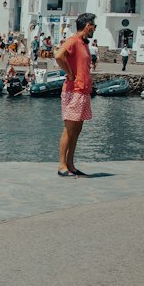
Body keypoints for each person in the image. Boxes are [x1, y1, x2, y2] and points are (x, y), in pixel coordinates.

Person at [55, 13, 96, 177]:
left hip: (83, 90)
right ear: (87, 26)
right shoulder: (73, 40)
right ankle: (62, 165)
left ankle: (70, 164)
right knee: (69, 129)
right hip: (74, 91)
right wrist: (70, 73)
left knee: (77, 129)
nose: (94, 29)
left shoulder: (84, 43)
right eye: (94, 26)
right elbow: (58, 56)